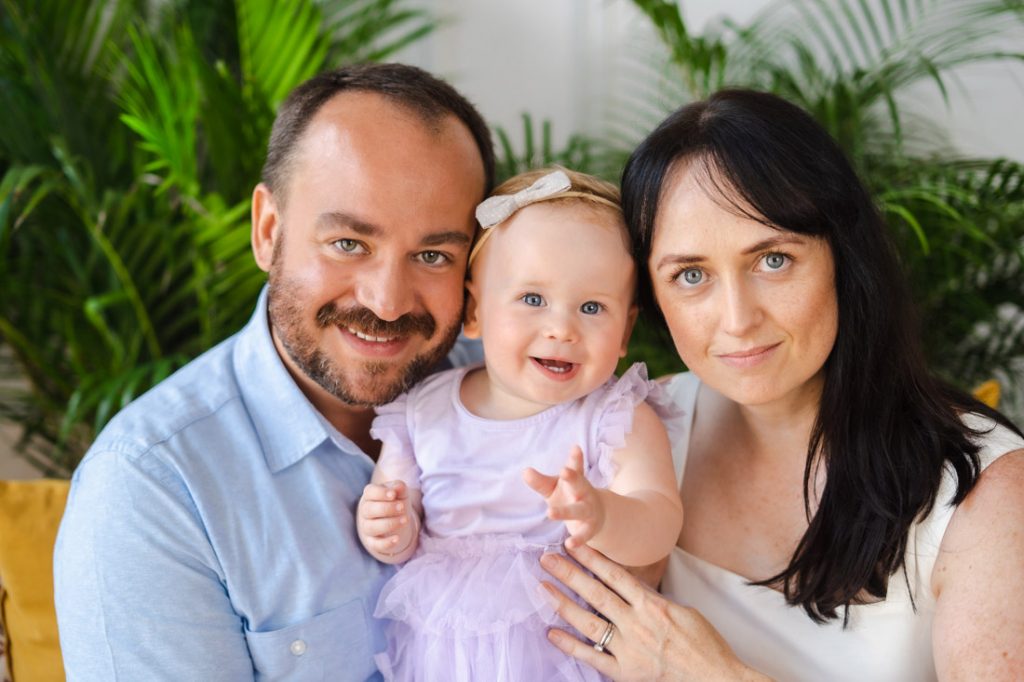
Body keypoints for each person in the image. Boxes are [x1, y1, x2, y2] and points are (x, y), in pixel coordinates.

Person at [537, 89, 1024, 680]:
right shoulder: (641, 428)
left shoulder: (989, 491)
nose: (738, 319)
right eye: (691, 275)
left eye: (773, 260)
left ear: (843, 257)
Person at [53, 63, 496, 680]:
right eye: (349, 243)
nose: (387, 301)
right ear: (268, 232)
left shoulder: (524, 397)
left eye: (432, 255)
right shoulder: (150, 489)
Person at [355, 168, 683, 680]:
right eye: (533, 300)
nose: (561, 329)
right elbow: (400, 518)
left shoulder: (614, 416)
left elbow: (659, 523)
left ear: (625, 332)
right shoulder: (422, 410)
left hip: (566, 647)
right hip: (447, 655)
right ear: (475, 311)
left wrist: (604, 516)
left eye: (593, 307)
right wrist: (387, 528)